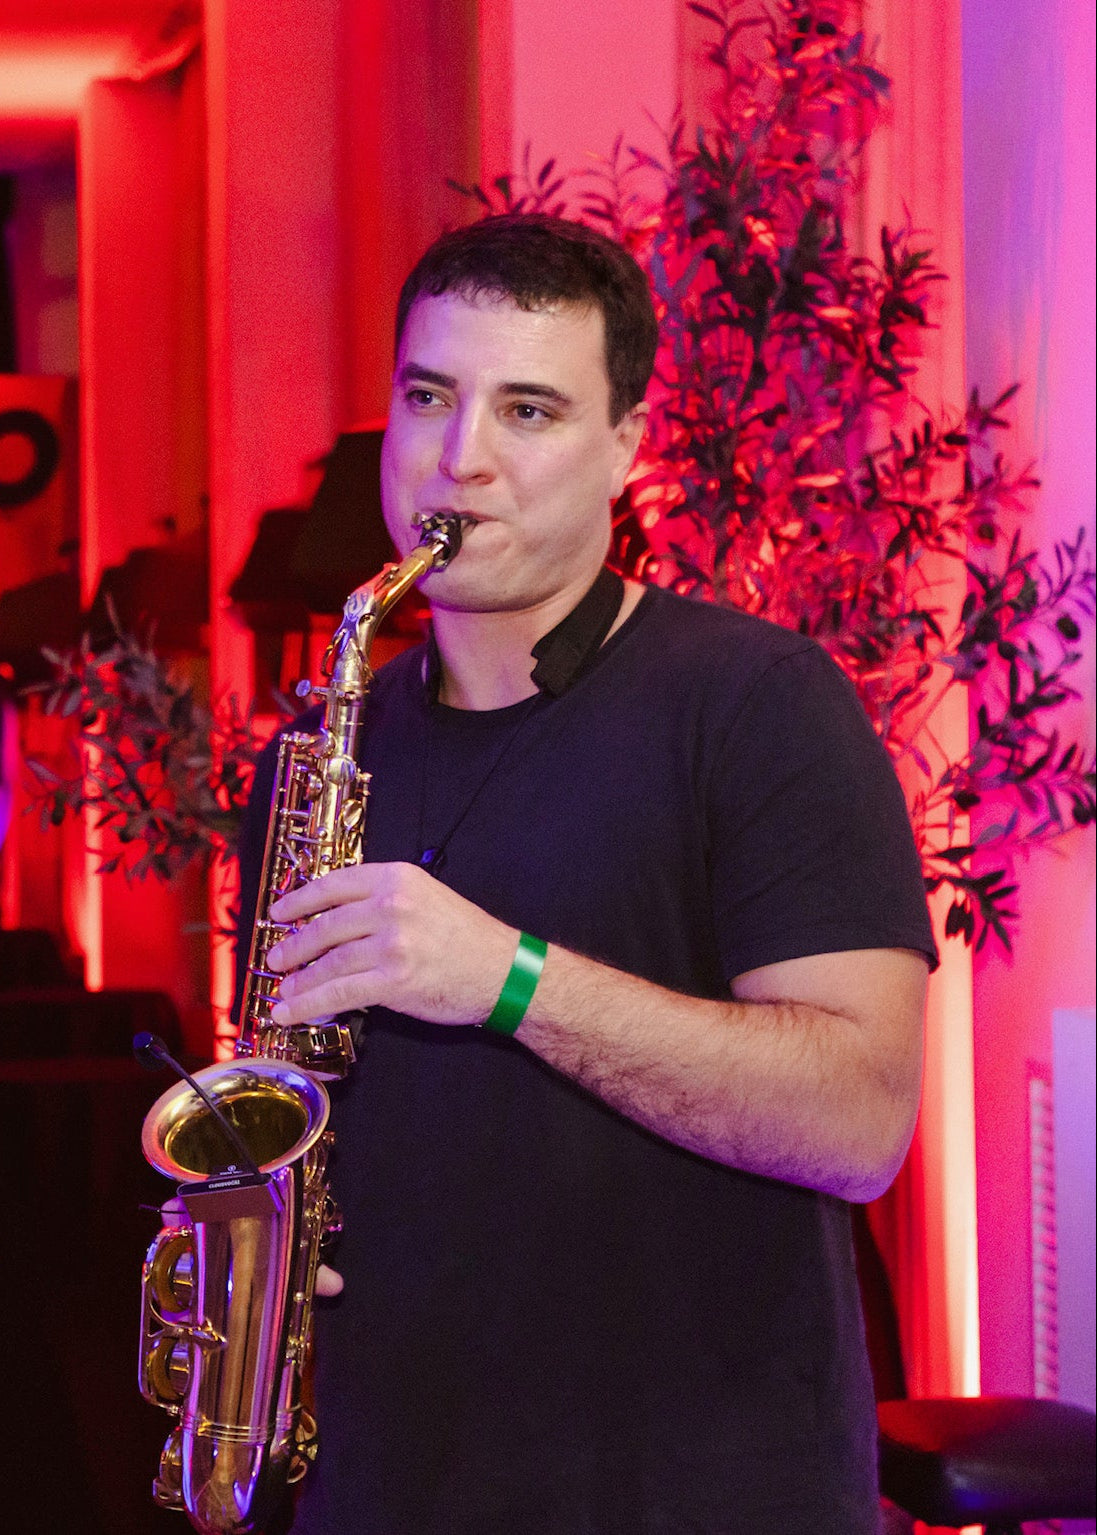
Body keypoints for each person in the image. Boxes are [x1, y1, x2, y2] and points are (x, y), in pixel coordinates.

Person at [235, 213, 936, 1535]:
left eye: (530, 411)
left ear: (626, 445)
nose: (462, 460)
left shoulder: (759, 706)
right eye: (429, 396)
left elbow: (858, 1123)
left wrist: (504, 978)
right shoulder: (321, 755)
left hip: (694, 1495)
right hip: (391, 1484)